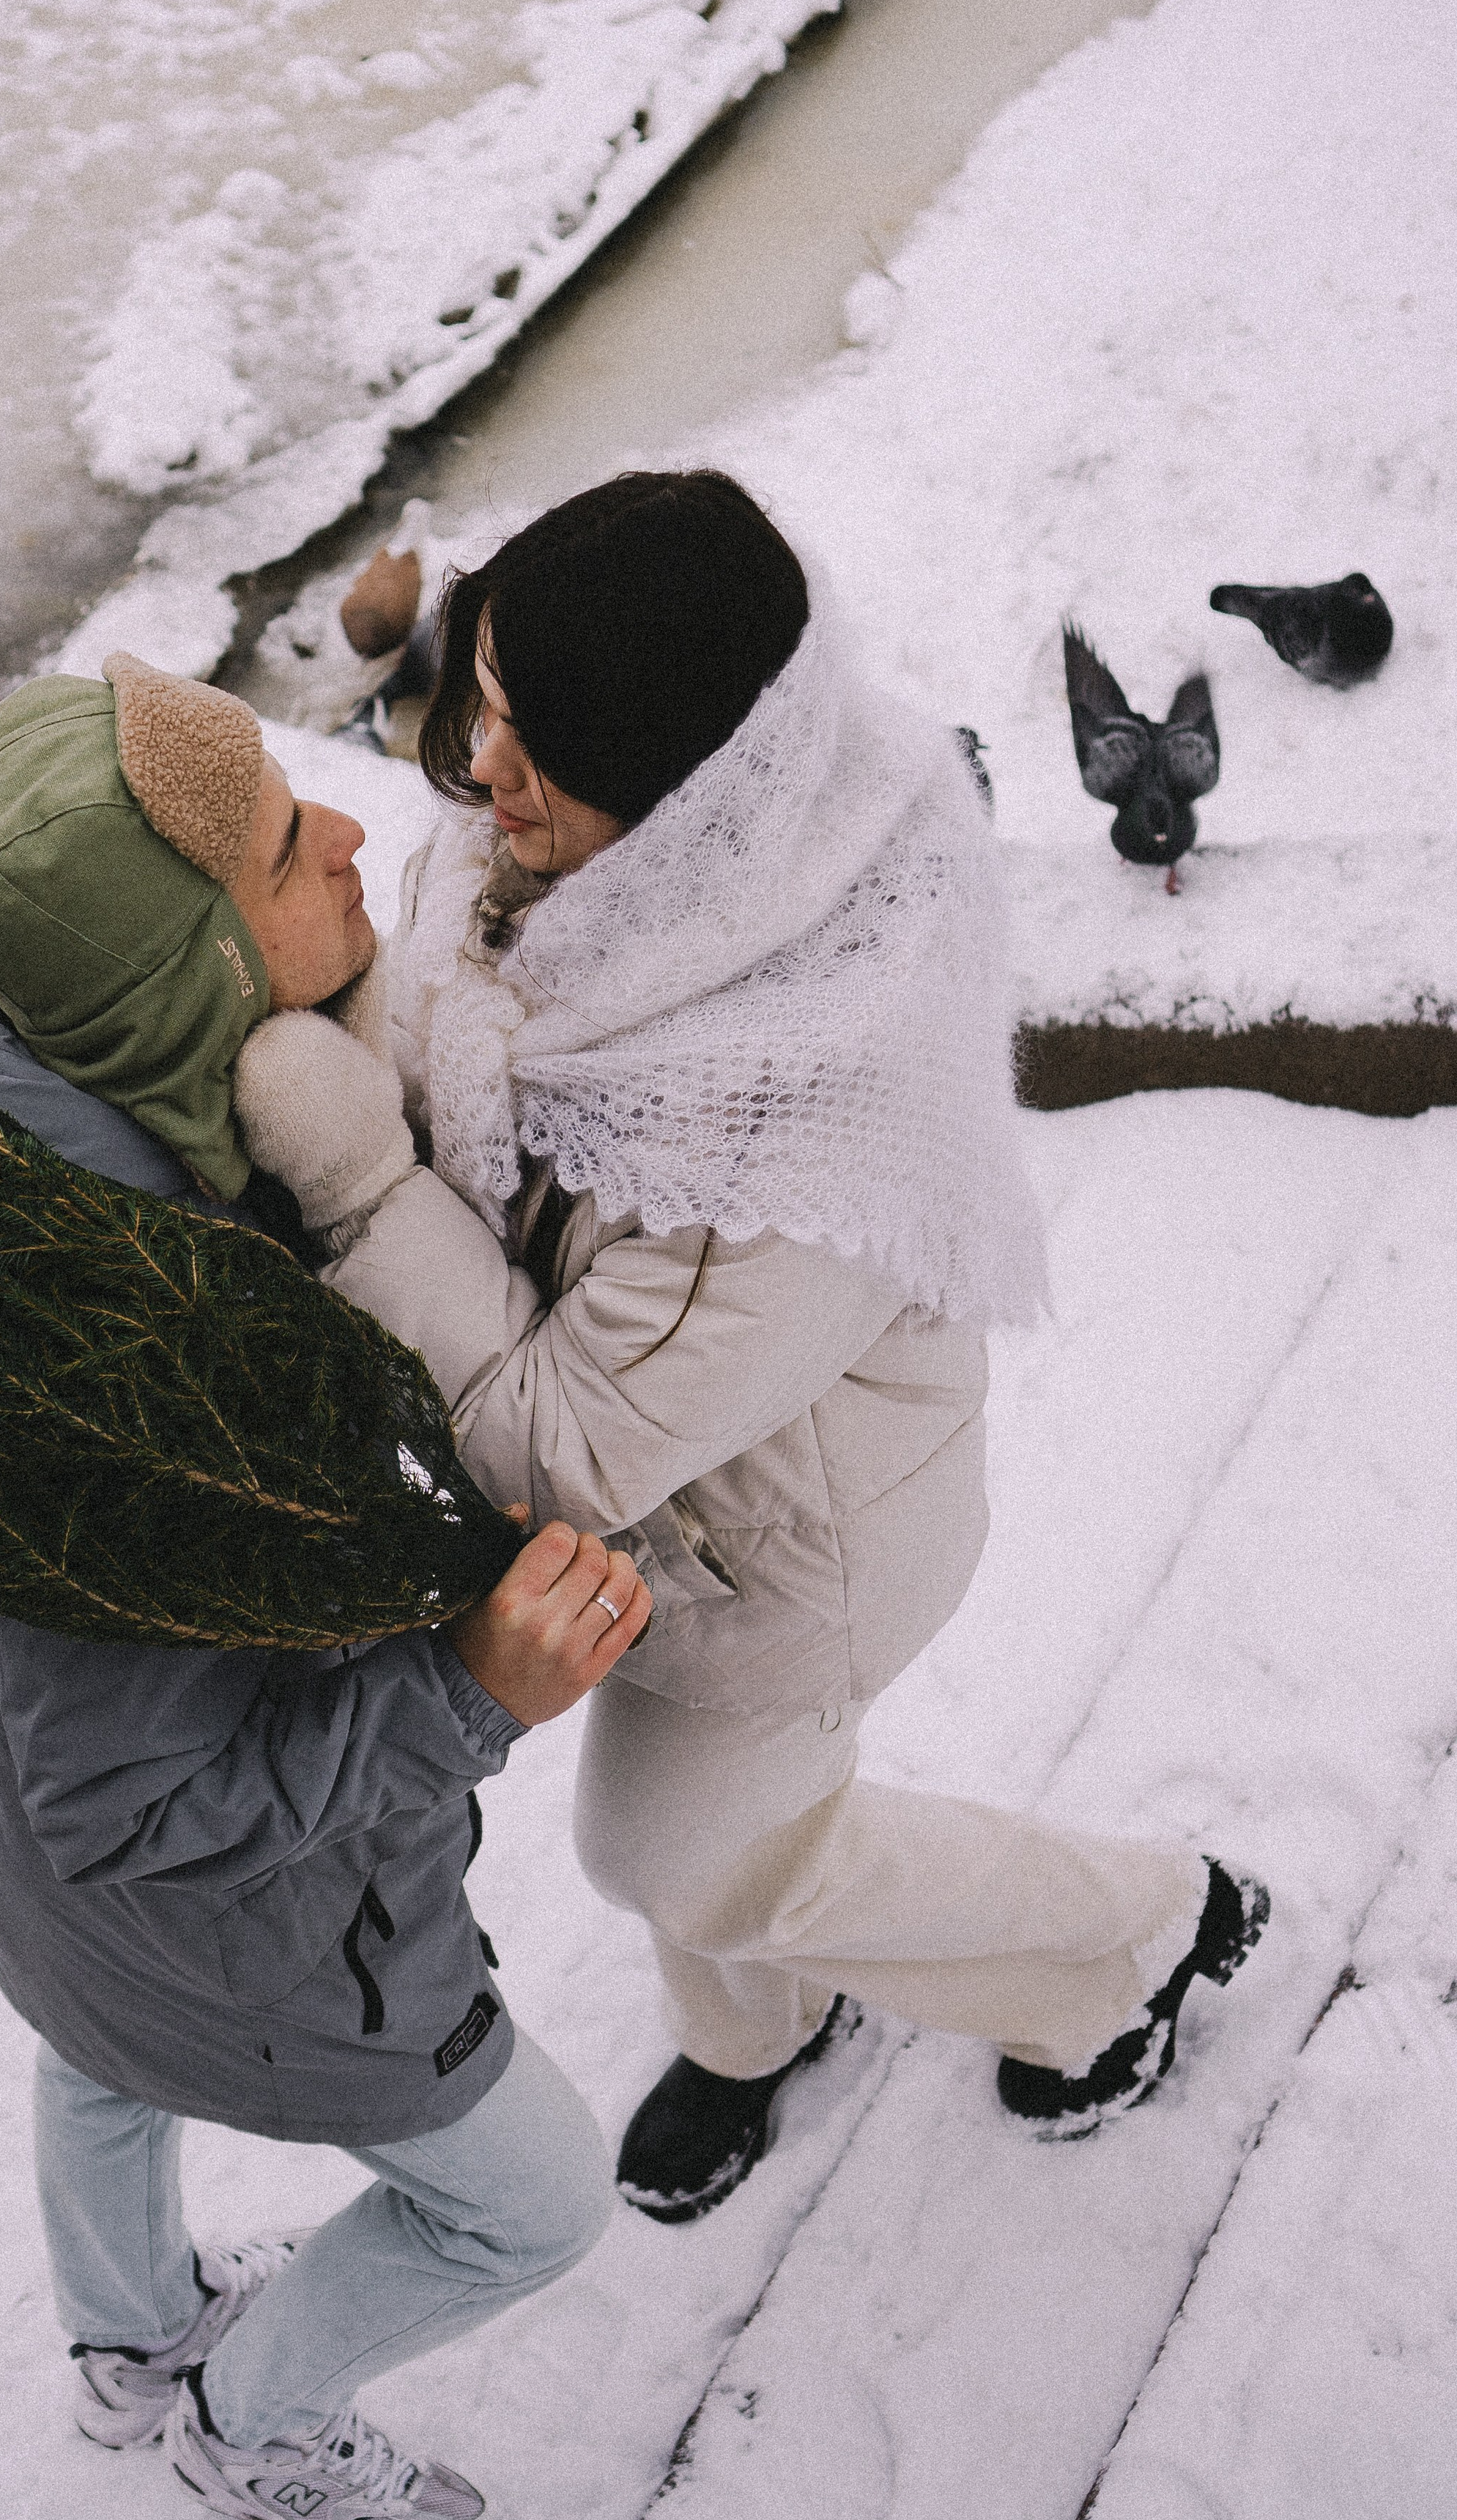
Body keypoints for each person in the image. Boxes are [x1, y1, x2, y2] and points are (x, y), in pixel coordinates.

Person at [231, 470, 1269, 2224]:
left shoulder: (781, 1108)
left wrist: (345, 1178)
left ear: (695, 805)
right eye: (481, 701)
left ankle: (1131, 1938)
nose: (478, 771)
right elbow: (438, 1013)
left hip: (792, 1552)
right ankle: (751, 2035)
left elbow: (571, 1442)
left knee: (667, 1848)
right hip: (680, 1529)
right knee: (727, 1847)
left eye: (530, 744)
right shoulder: (597, 849)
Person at [0, 654, 650, 2520]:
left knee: (93, 2054)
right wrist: (466, 1693)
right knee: (537, 2202)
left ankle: (125, 2338)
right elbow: (133, 1801)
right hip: (241, 1937)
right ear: (188, 988)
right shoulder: (138, 1355)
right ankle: (248, 2418)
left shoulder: (9, 1154)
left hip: (52, 1919)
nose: (353, 833)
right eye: (289, 856)